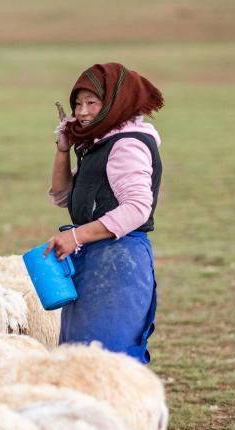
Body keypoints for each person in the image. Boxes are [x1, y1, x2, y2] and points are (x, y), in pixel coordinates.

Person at [44, 62, 164, 364]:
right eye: (77, 103)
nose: (82, 112)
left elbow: (137, 208)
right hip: (95, 257)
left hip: (118, 261)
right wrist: (63, 149)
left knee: (106, 360)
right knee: (78, 358)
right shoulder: (99, 143)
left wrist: (75, 236)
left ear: (114, 102)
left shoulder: (127, 144)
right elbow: (62, 195)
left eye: (91, 102)